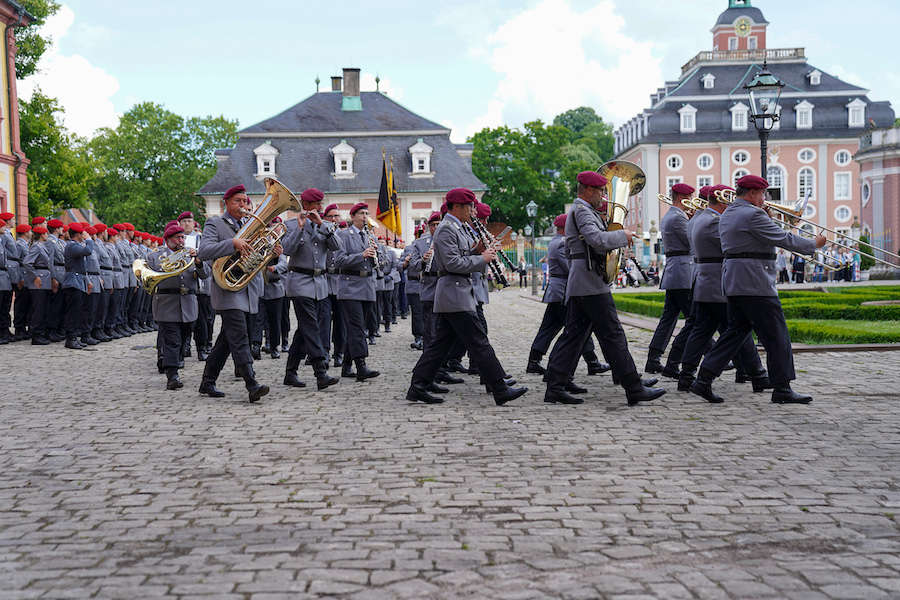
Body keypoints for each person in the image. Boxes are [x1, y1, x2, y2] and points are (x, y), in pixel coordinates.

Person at [690, 174, 827, 404]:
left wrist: (767, 216)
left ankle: (703, 379)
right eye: (763, 193)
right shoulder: (752, 214)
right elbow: (784, 239)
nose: (765, 198)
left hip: (735, 282)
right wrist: (813, 245)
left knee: (734, 334)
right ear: (753, 193)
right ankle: (782, 388)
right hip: (755, 283)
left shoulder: (729, 213)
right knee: (777, 335)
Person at [543, 171, 665, 406]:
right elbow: (596, 240)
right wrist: (622, 235)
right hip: (589, 282)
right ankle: (633, 387)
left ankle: (555, 386)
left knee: (574, 336)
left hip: (584, 281)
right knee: (612, 335)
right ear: (588, 190)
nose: (602, 195)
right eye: (600, 191)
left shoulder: (582, 210)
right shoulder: (582, 210)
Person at [405, 187, 526, 406]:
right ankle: (499, 387)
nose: (473, 211)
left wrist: (477, 250)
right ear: (459, 206)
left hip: (458, 291)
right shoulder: (446, 229)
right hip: (454, 293)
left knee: (439, 346)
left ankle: (418, 386)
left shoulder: (456, 227)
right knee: (479, 341)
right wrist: (482, 259)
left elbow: (461, 257)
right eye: (470, 206)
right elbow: (452, 264)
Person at [676, 184, 770, 395]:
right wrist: (762, 222)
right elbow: (739, 242)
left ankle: (687, 376)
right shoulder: (714, 221)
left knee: (702, 330)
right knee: (739, 329)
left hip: (706, 281)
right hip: (716, 283)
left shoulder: (700, 219)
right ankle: (757, 375)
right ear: (721, 201)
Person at [198, 183, 273, 402]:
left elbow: (257, 256)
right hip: (227, 289)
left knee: (226, 341)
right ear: (226, 203)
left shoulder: (250, 224)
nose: (243, 205)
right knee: (239, 337)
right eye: (237, 201)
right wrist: (232, 243)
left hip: (246, 289)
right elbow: (204, 251)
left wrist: (272, 252)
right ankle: (252, 383)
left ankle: (207, 382)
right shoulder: (215, 222)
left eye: (245, 201)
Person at [527, 213, 611, 378]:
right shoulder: (561, 244)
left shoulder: (555, 242)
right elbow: (570, 268)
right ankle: (591, 363)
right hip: (562, 291)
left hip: (558, 291)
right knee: (577, 328)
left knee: (549, 328)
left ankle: (534, 361)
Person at [281, 187, 341, 390]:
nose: (320, 207)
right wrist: (299, 229)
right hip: (299, 281)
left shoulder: (325, 225)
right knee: (311, 326)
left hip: (320, 284)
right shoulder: (290, 225)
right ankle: (320, 372)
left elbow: (337, 246)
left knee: (305, 329)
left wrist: (322, 225)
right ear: (306, 205)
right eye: (317, 204)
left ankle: (290, 372)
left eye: (321, 204)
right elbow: (286, 250)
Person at [646, 183, 696, 378]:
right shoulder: (677, 217)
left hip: (677, 271)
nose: (692, 201)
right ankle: (708, 356)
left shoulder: (673, 215)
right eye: (690, 198)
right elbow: (693, 242)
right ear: (682, 197)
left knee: (668, 319)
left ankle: (653, 359)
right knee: (696, 319)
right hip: (682, 272)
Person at [148, 224, 206, 390]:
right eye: (177, 238)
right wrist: (174, 260)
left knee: (183, 337)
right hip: (167, 301)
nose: (181, 241)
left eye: (182, 238)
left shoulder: (191, 254)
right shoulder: (156, 256)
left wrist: (198, 261)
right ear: (168, 240)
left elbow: (205, 275)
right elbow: (156, 273)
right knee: (171, 339)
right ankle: (172, 374)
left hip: (187, 301)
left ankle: (174, 362)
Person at [334, 202, 381, 382]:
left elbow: (380, 262)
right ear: (353, 216)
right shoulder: (344, 235)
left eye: (366, 213)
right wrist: (361, 255)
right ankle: (361, 366)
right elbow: (338, 260)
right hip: (350, 286)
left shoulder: (370, 236)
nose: (364, 216)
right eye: (361, 213)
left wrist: (377, 255)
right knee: (356, 327)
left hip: (367, 285)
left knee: (358, 327)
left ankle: (346, 366)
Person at [180, 211, 212, 360]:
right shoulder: (177, 238)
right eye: (184, 221)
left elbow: (207, 257)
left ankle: (202, 347)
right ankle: (185, 345)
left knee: (202, 319)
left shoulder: (200, 238)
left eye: (189, 221)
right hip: (183, 285)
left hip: (200, 284)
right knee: (184, 319)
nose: (187, 224)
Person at [61, 222, 95, 350]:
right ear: (77, 234)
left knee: (77, 312)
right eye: (82, 234)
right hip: (73, 282)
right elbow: (88, 251)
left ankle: (74, 337)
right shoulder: (72, 246)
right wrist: (89, 239)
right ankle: (70, 338)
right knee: (72, 312)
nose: (84, 236)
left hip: (78, 281)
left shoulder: (75, 245)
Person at [321, 203, 345, 367]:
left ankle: (339, 353)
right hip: (324, 280)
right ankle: (324, 352)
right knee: (323, 320)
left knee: (340, 321)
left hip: (341, 281)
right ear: (325, 219)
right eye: (331, 216)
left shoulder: (345, 235)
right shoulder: (321, 233)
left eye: (337, 216)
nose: (335, 219)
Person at [0, 216, 13, 344]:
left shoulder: (1, 241)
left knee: (4, 306)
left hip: (4, 275)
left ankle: (4, 331)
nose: (5, 228)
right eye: (2, 226)